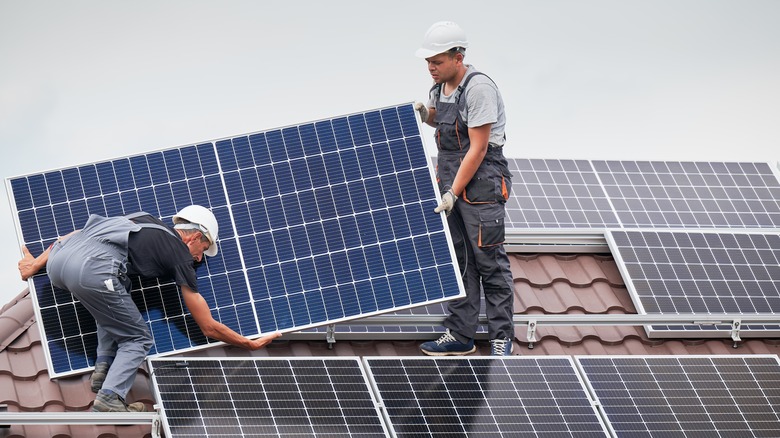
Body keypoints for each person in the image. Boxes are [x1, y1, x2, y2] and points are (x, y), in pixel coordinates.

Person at [18, 205, 281, 412]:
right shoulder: (179, 254)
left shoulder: (142, 218)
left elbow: (75, 234)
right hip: (92, 271)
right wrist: (248, 344)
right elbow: (208, 326)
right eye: (204, 248)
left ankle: (103, 367)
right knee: (138, 338)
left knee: (120, 290)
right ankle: (110, 398)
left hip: (59, 263)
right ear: (194, 237)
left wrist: (34, 265)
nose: (201, 257)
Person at [414, 21, 516, 356]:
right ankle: (461, 334)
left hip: (480, 184)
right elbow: (441, 121)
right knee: (459, 261)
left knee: (489, 261)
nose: (431, 67)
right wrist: (426, 113)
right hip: (450, 183)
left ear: (458, 57)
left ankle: (501, 337)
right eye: (428, 61)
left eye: (438, 61)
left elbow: (478, 148)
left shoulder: (478, 88)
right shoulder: (438, 86)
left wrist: (453, 193)